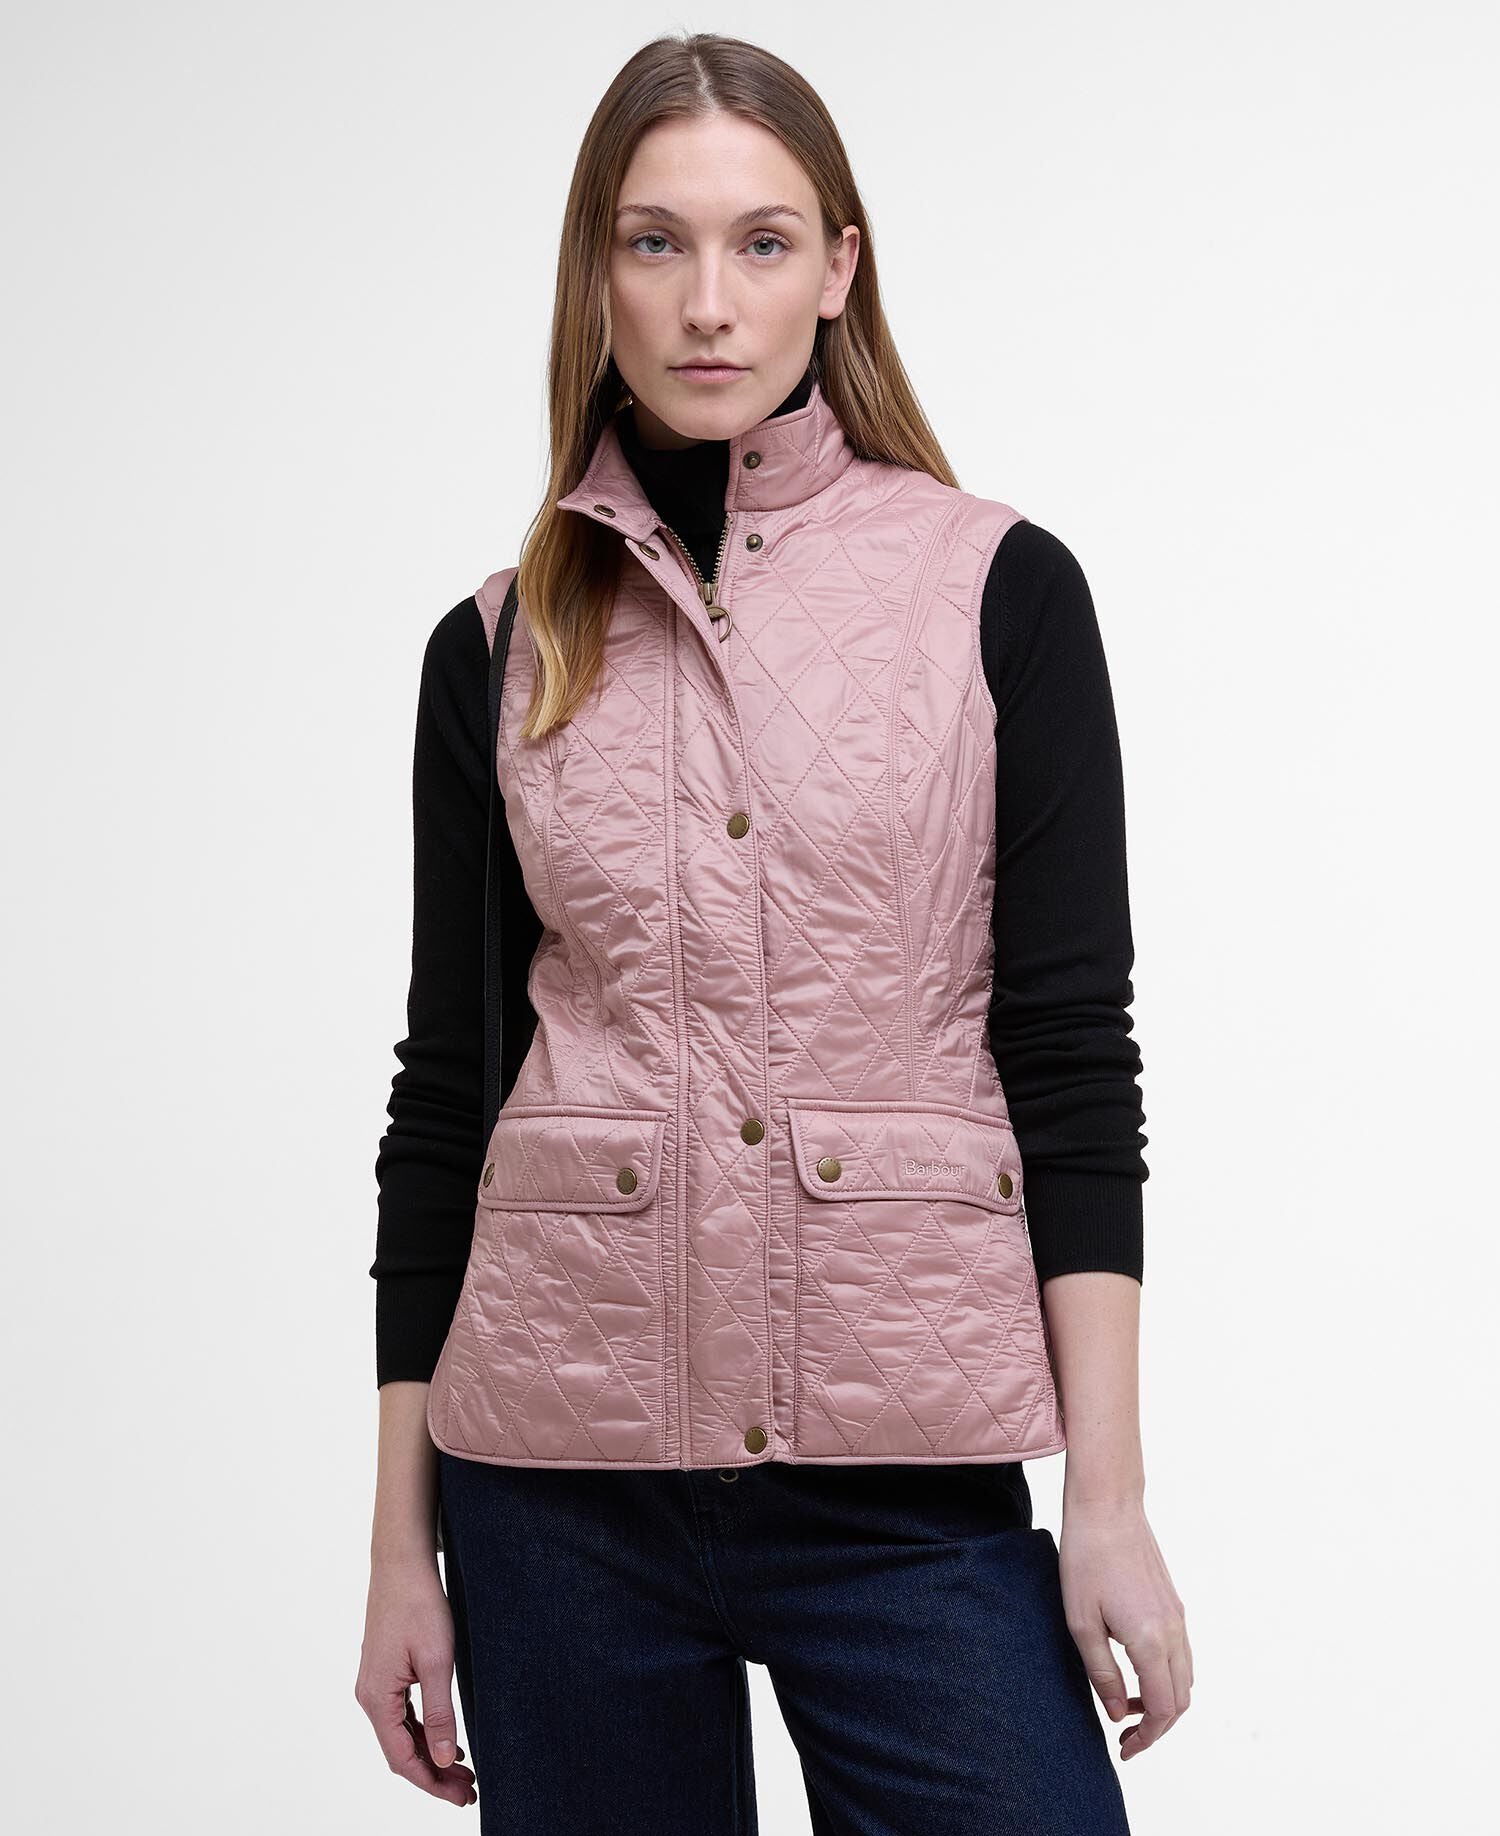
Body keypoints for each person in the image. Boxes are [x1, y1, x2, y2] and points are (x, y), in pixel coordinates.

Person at [356, 30, 1191, 1834]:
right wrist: (399, 1548)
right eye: (654, 242)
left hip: (907, 1485)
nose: (708, 302)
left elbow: (1071, 1059)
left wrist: (1108, 1501)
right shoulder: (496, 647)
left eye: (761, 241)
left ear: (838, 267)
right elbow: (447, 1101)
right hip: (553, 1493)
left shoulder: (1000, 591)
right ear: (595, 273)